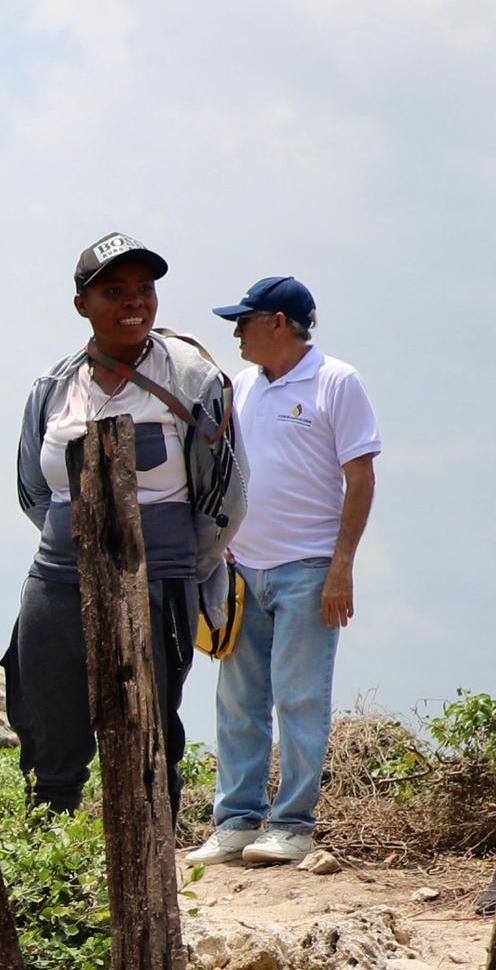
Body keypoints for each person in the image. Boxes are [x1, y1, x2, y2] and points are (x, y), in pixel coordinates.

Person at [8, 234, 238, 815]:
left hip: (158, 580)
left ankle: (151, 880)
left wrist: (185, 565)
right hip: (57, 579)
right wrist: (78, 544)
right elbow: (34, 489)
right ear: (83, 303)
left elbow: (225, 496)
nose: (133, 302)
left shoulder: (194, 380)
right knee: (46, 728)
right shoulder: (54, 385)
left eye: (144, 289)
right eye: (114, 291)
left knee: (149, 735)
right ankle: (55, 876)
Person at [195, 275, 379, 865]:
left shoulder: (336, 381)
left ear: (278, 322)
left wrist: (342, 567)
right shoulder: (242, 387)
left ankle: (294, 825)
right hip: (241, 568)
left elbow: (361, 477)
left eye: (244, 321)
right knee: (238, 699)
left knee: (299, 699)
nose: (236, 333)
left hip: (308, 567)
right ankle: (237, 823)